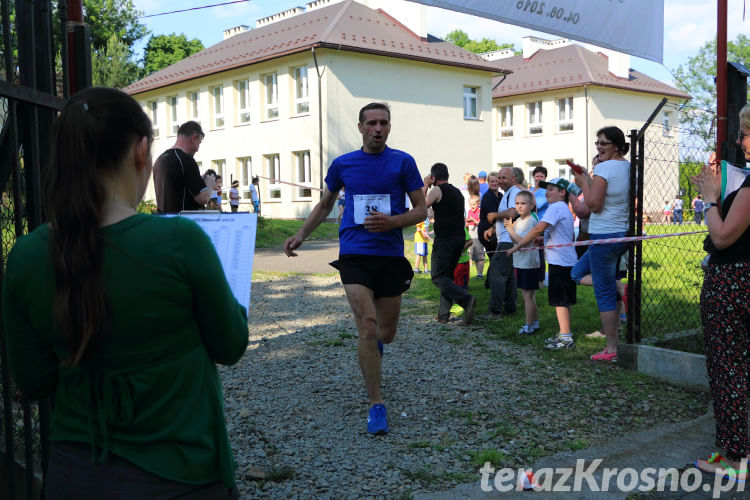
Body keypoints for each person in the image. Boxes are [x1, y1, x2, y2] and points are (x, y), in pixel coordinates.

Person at [2, 87, 248, 499]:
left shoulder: (25, 256)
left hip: (74, 477)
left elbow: (35, 380)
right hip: (181, 475)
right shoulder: (179, 241)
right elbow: (230, 344)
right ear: (141, 151)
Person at [283, 102, 426, 435]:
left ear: (389, 127)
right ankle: (376, 404)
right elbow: (325, 204)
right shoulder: (343, 164)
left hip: (390, 255)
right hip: (354, 253)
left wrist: (394, 221)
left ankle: (374, 348)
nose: (378, 128)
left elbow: (421, 211)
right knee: (368, 324)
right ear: (360, 127)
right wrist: (301, 235)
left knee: (386, 334)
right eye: (372, 123)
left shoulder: (403, 162)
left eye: (384, 123)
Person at [691, 103, 750, 480]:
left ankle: (735, 457)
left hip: (732, 283)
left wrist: (712, 198)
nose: (742, 142)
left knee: (728, 368)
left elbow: (723, 236)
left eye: (745, 133)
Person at [571, 126, 631, 362]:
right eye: (597, 143)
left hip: (604, 236)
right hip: (618, 234)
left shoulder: (604, 168)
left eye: (603, 143)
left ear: (616, 145)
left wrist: (582, 182)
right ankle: (621, 288)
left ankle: (611, 349)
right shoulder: (627, 166)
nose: (599, 147)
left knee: (604, 293)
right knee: (576, 272)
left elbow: (593, 205)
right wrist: (588, 177)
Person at [509, 179, 578, 348]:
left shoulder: (556, 207)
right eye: (546, 189)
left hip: (560, 261)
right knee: (564, 301)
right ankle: (564, 332)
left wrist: (518, 245)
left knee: (560, 302)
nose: (547, 192)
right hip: (566, 259)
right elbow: (559, 233)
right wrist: (544, 239)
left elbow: (537, 228)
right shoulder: (563, 208)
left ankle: (566, 337)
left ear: (562, 193)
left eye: (551, 189)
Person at [424, 162, 477, 325]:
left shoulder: (437, 190)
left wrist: (425, 185)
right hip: (458, 239)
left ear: (433, 177)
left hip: (445, 240)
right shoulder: (457, 193)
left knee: (438, 277)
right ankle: (443, 315)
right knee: (446, 276)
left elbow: (421, 205)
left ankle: (466, 299)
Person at [482, 167, 520, 319]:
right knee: (509, 276)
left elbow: (512, 213)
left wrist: (493, 216)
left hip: (507, 240)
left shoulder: (514, 192)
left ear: (513, 179)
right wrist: (493, 228)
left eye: (504, 178)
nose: (500, 181)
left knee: (496, 274)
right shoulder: (508, 193)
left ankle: (495, 312)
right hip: (506, 238)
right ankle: (510, 308)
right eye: (499, 178)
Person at [153, 120, 214, 213]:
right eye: (199, 142)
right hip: (182, 222)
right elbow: (203, 198)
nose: (198, 149)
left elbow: (177, 189)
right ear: (194, 138)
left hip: (164, 220)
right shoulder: (185, 159)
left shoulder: (159, 160)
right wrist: (209, 184)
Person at [503, 190, 540, 335]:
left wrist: (509, 229)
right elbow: (515, 239)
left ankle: (529, 325)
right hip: (521, 262)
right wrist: (511, 229)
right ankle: (534, 323)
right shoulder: (519, 220)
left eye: (523, 203)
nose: (519, 206)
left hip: (528, 263)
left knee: (528, 296)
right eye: (517, 203)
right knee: (530, 295)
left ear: (531, 205)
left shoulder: (530, 221)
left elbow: (521, 242)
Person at [477, 171, 500, 255]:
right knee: (494, 259)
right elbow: (492, 218)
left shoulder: (501, 195)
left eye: (496, 181)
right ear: (488, 182)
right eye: (492, 181)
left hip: (496, 230)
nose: (494, 183)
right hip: (487, 231)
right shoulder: (488, 197)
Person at [466, 195, 485, 277]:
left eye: (474, 204)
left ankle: (480, 273)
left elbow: (481, 224)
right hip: (471, 236)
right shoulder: (469, 211)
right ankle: (478, 273)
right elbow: (467, 223)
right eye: (470, 205)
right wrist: (467, 223)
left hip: (478, 236)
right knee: (474, 255)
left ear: (478, 204)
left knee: (479, 255)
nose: (472, 206)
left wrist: (473, 220)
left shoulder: (480, 212)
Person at [453, 226, 473, 291]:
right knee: (454, 285)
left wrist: (460, 249)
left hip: (463, 262)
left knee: (463, 286)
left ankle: (464, 299)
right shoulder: (444, 228)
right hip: (451, 263)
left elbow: (470, 241)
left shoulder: (461, 228)